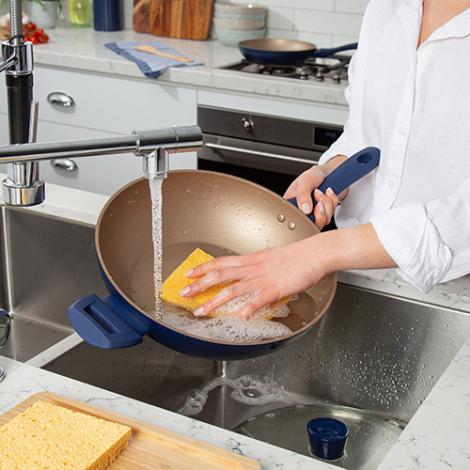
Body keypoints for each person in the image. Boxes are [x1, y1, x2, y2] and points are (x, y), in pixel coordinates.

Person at [181, 0, 470, 318]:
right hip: (358, 271)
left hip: (454, 293)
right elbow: (366, 131)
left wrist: (317, 253)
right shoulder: (386, 8)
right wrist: (332, 170)